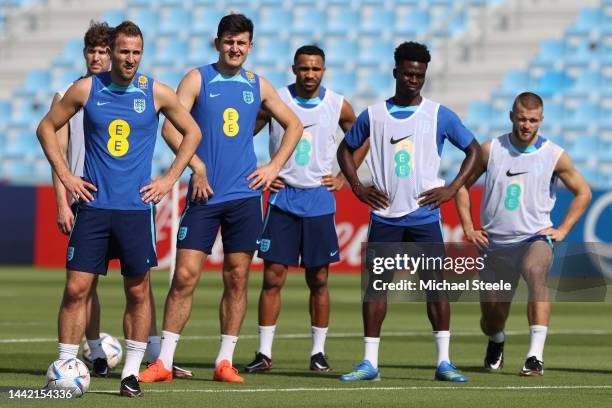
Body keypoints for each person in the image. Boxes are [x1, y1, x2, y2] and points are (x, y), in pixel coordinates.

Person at [36, 20, 202, 397]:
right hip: (93, 207)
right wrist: (67, 177)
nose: (130, 59)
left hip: (134, 209)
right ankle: (65, 366)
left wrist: (169, 179)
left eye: (136, 53)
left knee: (138, 291)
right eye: (124, 52)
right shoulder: (86, 89)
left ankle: (129, 372)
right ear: (111, 52)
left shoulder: (155, 92)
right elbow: (46, 128)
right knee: (76, 288)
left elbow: (192, 133)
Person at [139, 13, 302, 384]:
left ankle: (224, 361)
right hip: (204, 194)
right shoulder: (198, 78)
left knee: (238, 277)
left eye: (241, 42)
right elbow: (170, 128)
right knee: (184, 276)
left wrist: (274, 166)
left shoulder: (257, 84)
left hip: (244, 197)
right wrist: (196, 166)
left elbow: (293, 125)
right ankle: (164, 361)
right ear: (217, 43)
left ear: (250, 47)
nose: (235, 48)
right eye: (229, 41)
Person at [336, 41, 481, 382]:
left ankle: (444, 362)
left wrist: (451, 187)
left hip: (424, 218)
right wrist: (357, 186)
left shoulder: (438, 114)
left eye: (419, 74)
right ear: (395, 72)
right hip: (385, 217)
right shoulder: (374, 115)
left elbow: (474, 151)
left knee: (436, 289)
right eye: (408, 73)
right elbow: (345, 149)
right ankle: (370, 363)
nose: (414, 79)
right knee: (376, 289)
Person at [244, 45, 369, 373]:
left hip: (318, 200)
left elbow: (361, 138)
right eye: (303, 68)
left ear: (323, 70)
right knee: (273, 277)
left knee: (319, 278)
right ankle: (264, 353)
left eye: (315, 69)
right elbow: (241, 136)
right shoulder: (276, 100)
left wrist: (344, 176)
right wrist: (262, 169)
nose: (309, 74)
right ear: (294, 69)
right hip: (281, 198)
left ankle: (318, 353)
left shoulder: (337, 104)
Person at [455, 92, 591, 376]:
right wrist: (468, 227)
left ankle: (534, 356)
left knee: (536, 273)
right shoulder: (491, 150)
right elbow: (461, 186)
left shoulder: (554, 155)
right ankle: (497, 339)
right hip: (495, 243)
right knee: (491, 318)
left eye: (532, 120)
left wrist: (563, 228)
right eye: (521, 119)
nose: (526, 125)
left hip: (534, 238)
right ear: (511, 117)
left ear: (541, 120)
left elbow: (583, 192)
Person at [50, 21, 112, 378]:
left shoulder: (122, 93)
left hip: (117, 198)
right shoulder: (67, 94)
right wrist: (61, 202)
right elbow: (57, 153)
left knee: (116, 282)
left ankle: (98, 348)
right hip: (82, 199)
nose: (98, 57)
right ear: (84, 53)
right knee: (79, 282)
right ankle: (79, 354)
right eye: (92, 50)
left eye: (104, 51)